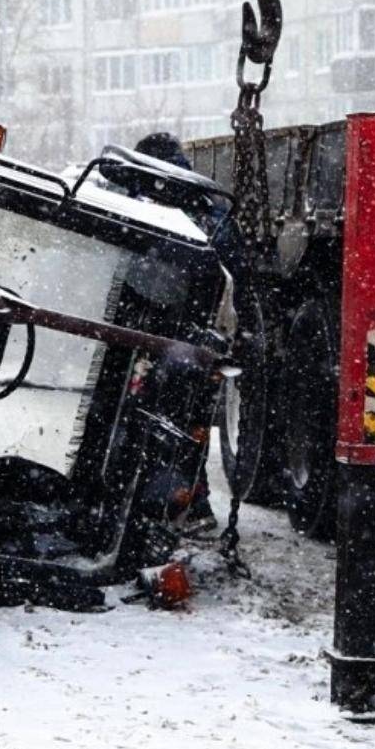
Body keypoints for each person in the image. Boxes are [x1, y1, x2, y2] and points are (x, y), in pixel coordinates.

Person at [135, 131, 220, 535]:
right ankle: (187, 502)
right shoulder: (208, 210)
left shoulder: (146, 207)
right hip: (193, 343)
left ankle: (155, 504)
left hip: (158, 340)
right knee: (186, 424)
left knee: (150, 421)